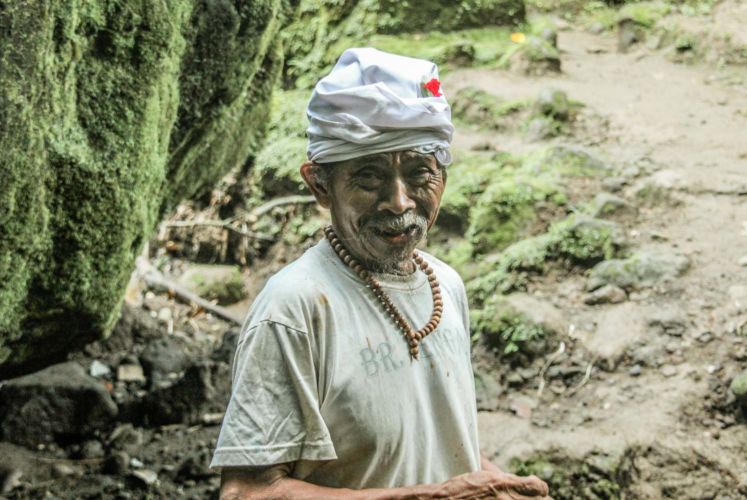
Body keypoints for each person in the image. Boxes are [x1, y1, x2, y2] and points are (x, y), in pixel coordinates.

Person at [210, 48, 549, 499]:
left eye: (419, 174)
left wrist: (494, 483)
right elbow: (247, 492)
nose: (400, 202)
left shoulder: (446, 285)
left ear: (442, 178)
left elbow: (436, 444)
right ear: (319, 185)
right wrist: (429, 497)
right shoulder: (294, 307)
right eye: (369, 178)